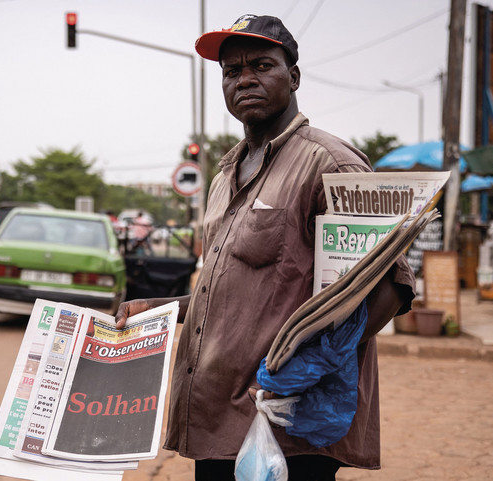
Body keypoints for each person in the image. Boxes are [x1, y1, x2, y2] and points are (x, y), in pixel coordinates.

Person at [115, 14, 415, 481]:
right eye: (232, 71)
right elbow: (238, 297)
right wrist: (157, 308)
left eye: (261, 65)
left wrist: (302, 376)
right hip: (216, 421)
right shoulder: (224, 174)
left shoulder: (331, 163)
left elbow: (386, 291)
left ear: (293, 76)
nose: (245, 79)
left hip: (287, 431)